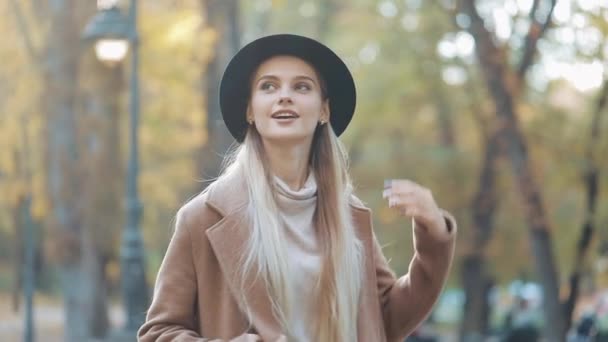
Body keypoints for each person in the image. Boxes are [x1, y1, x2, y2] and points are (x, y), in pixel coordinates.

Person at [138, 34, 457, 342]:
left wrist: (433, 235)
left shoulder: (350, 215)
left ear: (324, 111)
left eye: (302, 86)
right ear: (250, 110)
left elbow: (387, 320)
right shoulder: (202, 218)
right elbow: (158, 333)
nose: (284, 96)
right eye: (268, 86)